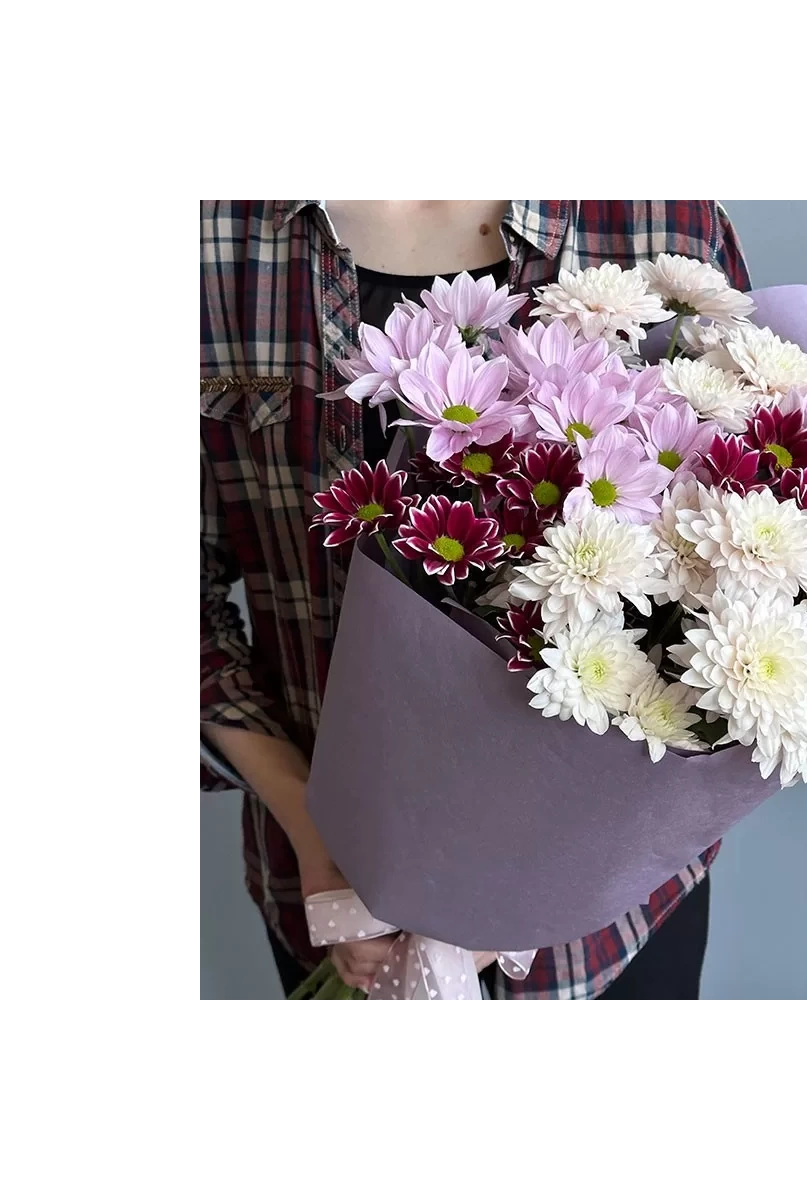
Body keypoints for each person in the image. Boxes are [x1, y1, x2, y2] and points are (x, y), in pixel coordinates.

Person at [201, 200, 752, 1000]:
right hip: (328, 884)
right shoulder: (211, 236)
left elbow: (746, 549)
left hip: (615, 926)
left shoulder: (662, 224)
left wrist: (527, 887)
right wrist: (314, 821)